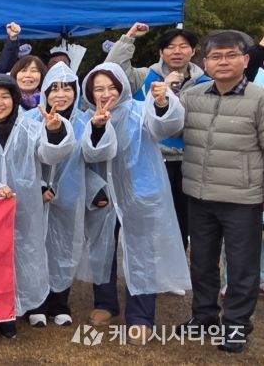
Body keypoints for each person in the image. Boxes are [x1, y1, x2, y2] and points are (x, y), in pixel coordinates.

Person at [79, 62, 189, 346]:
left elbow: (165, 127)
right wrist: (98, 127)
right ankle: (105, 303)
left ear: (122, 88)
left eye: (111, 87)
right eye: (98, 89)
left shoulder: (140, 110)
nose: (105, 94)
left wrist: (163, 103)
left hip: (140, 193)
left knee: (142, 251)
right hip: (103, 195)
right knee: (102, 247)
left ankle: (141, 316)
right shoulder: (86, 118)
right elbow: (91, 155)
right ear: (89, 93)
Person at [0, 74, 75, 339]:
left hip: (24, 208)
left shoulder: (31, 129)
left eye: (5, 97)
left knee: (20, 258)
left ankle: (8, 312)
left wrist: (54, 131)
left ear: (14, 100)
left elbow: (49, 155)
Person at [175, 31, 264, 354]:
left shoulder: (259, 98)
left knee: (241, 266)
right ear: (206, 62)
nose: (223, 62)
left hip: (243, 198)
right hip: (199, 195)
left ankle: (237, 325)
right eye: (216, 56)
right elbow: (167, 125)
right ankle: (204, 317)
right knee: (201, 263)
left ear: (246, 60)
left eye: (231, 55)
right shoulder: (192, 96)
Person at [105, 23, 209, 256]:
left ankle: (176, 264)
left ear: (193, 51)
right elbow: (112, 71)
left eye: (183, 46)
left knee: (180, 220)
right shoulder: (144, 76)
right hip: (147, 159)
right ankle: (144, 263)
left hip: (186, 161)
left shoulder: (205, 84)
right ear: (161, 52)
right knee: (145, 218)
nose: (177, 51)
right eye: (170, 47)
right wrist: (129, 38)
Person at [26, 63, 89, 327]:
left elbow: (95, 157)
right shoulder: (30, 119)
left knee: (65, 248)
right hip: (37, 197)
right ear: (45, 92)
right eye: (54, 89)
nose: (60, 95)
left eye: (67, 89)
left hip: (71, 196)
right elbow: (23, 160)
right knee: (35, 248)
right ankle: (36, 303)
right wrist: (39, 185)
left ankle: (60, 303)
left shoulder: (85, 121)